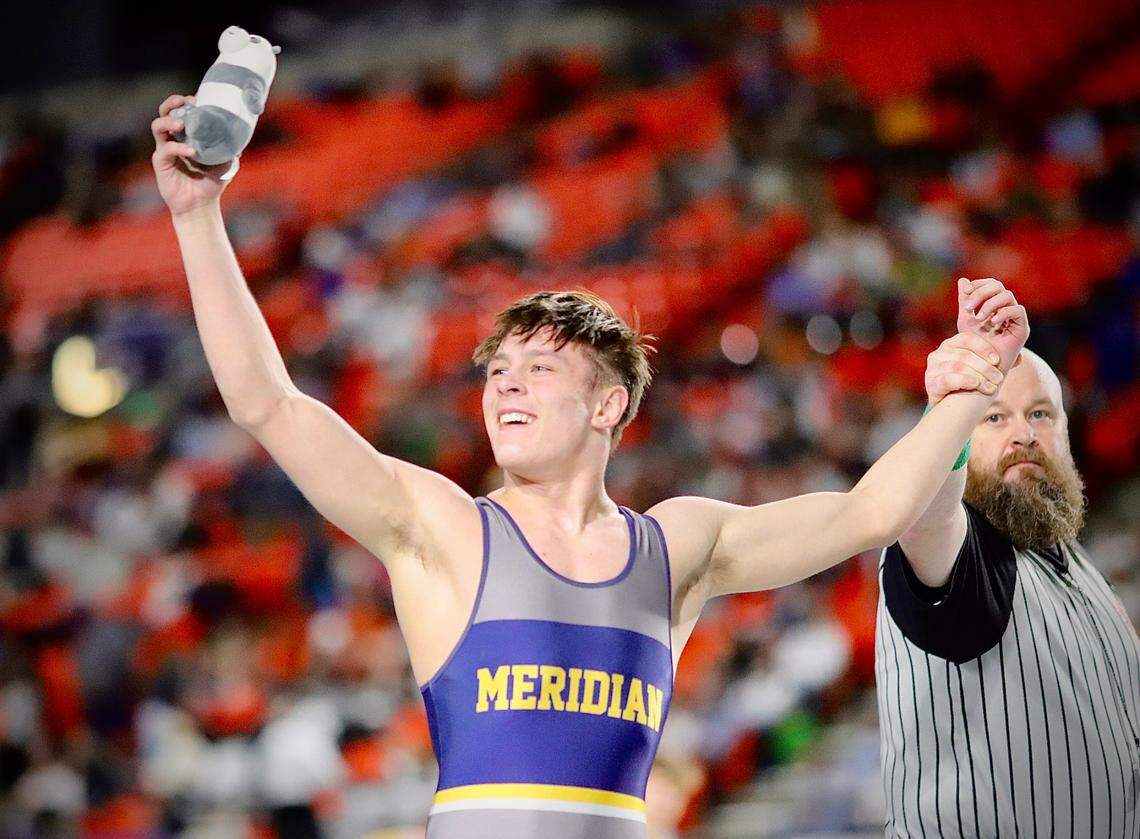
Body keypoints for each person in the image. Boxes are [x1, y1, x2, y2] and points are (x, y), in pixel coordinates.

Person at [151, 93, 1021, 839]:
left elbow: (871, 514)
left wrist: (969, 392)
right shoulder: (443, 526)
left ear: (607, 406)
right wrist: (197, 218)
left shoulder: (679, 545)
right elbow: (269, 404)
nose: (506, 388)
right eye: (497, 371)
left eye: (537, 370)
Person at [877, 283, 1140, 838]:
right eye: (993, 418)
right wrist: (952, 403)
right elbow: (925, 514)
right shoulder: (958, 550)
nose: (1024, 434)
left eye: (1041, 414)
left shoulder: (1076, 567)